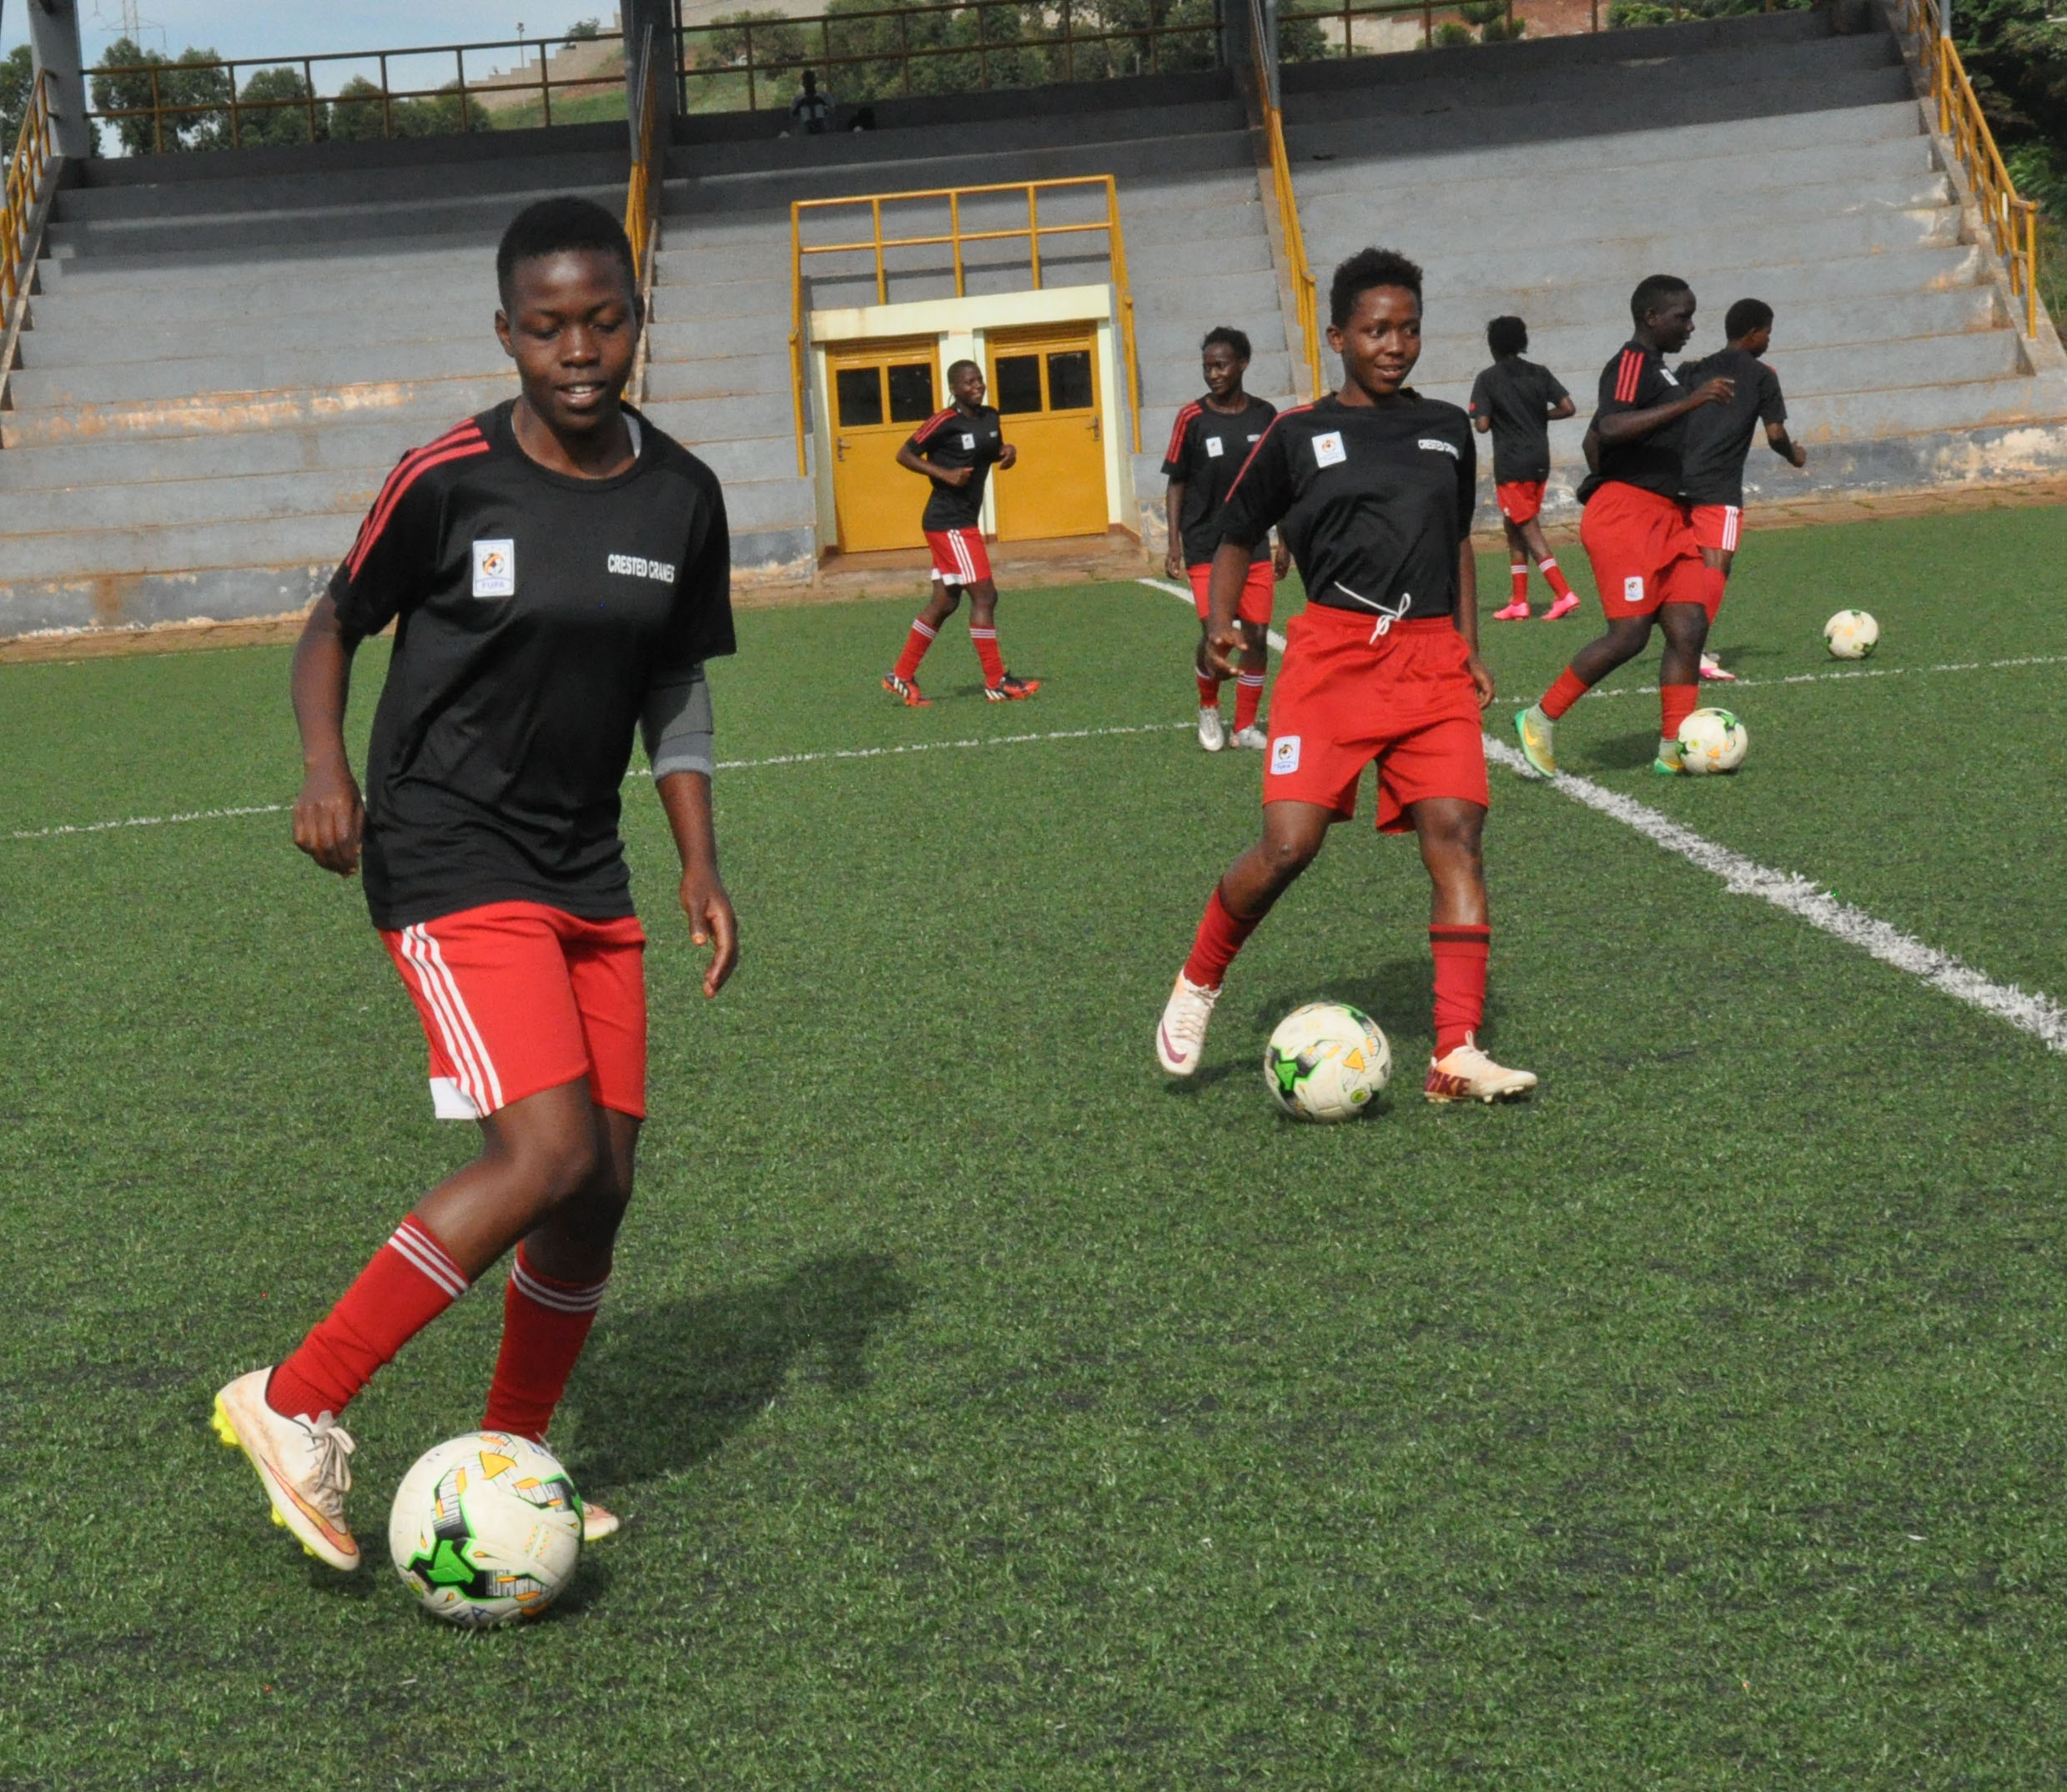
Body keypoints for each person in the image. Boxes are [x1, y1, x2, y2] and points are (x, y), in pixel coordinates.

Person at [209, 195, 741, 1573]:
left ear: (636, 319)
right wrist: (326, 763)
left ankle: (511, 1448)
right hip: (448, 849)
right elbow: (335, 621)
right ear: (505, 333)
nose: (580, 346)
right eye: (549, 324)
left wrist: (698, 856)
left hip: (586, 863)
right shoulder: (448, 475)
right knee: (545, 1151)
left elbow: (672, 682)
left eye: (604, 317)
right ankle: (297, 1395)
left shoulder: (680, 491)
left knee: (601, 1182)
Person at [1155, 246, 1537, 1105]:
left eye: (1407, 328)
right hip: (1331, 658)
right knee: (1289, 847)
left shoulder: (1445, 428)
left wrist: (1470, 642)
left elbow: (1456, 543)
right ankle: (1200, 981)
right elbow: (1237, 531)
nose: (1394, 344)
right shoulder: (1295, 434)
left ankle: (1457, 1050)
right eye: (1375, 329)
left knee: (1458, 836)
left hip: (1432, 659)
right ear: (1337, 336)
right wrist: (1221, 623)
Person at [1512, 274, 1733, 779]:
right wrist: (1693, 402)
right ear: (1652, 317)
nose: (1691, 325)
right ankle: (1540, 717)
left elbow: (1597, 439)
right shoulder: (1631, 361)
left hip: (1669, 517)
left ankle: (1673, 749)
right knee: (1630, 634)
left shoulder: (1662, 371)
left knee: (1689, 627)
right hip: (1628, 516)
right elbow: (1609, 426)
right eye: (1682, 316)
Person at [1162, 326, 1289, 752]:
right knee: (1216, 636)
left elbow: (1280, 484)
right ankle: (1209, 705)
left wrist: (1284, 540)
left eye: (1221, 365)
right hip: (1205, 547)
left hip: (1253, 544)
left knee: (1255, 637)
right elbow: (1176, 483)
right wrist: (1173, 544)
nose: (1213, 374)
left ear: (1243, 364)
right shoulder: (1191, 419)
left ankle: (1246, 726)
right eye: (1207, 367)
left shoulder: (1265, 415)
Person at [883, 359, 1039, 704]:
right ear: (954, 388)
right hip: (948, 522)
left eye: (979, 380)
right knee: (985, 596)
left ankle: (901, 674)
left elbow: (986, 449)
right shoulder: (944, 421)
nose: (977, 386)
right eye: (968, 382)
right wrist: (944, 474)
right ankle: (996, 680)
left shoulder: (990, 417)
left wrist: (1006, 452)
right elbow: (904, 454)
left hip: (962, 521)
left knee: (945, 600)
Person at [1677, 297, 1808, 682]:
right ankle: (1692, 649)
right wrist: (1794, 456)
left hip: (1679, 478)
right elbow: (1775, 434)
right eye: (1767, 331)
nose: (1769, 339)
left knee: (1691, 563)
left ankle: (1683, 639)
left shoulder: (1693, 369)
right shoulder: (1762, 375)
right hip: (1718, 483)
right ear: (1753, 333)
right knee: (1718, 562)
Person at [1466, 315, 1579, 623]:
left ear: (1493, 346)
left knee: (1528, 527)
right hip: (1540, 462)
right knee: (1513, 529)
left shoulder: (1488, 379)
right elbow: (1568, 407)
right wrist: (1540, 417)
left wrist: (1483, 414)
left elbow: (1482, 425)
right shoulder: (1539, 373)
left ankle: (1564, 594)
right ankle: (1519, 601)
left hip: (1512, 464)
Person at [789, 69, 832, 134]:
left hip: (823, 128)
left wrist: (822, 102)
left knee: (819, 106)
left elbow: (832, 111)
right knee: (804, 108)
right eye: (807, 81)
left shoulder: (825, 96)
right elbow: (792, 117)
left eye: (811, 80)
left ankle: (818, 125)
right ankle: (809, 126)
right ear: (803, 83)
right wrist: (800, 104)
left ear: (815, 81)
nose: (809, 83)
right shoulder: (798, 99)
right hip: (804, 130)